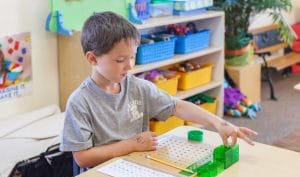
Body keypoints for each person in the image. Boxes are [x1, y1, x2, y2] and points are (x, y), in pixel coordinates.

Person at [60, 11, 257, 168]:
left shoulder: (137, 86)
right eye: (120, 60)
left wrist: (218, 123)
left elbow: (176, 106)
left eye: (132, 56)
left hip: (139, 165)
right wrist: (132, 144)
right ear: (92, 59)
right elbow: (82, 158)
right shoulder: (80, 102)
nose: (129, 66)